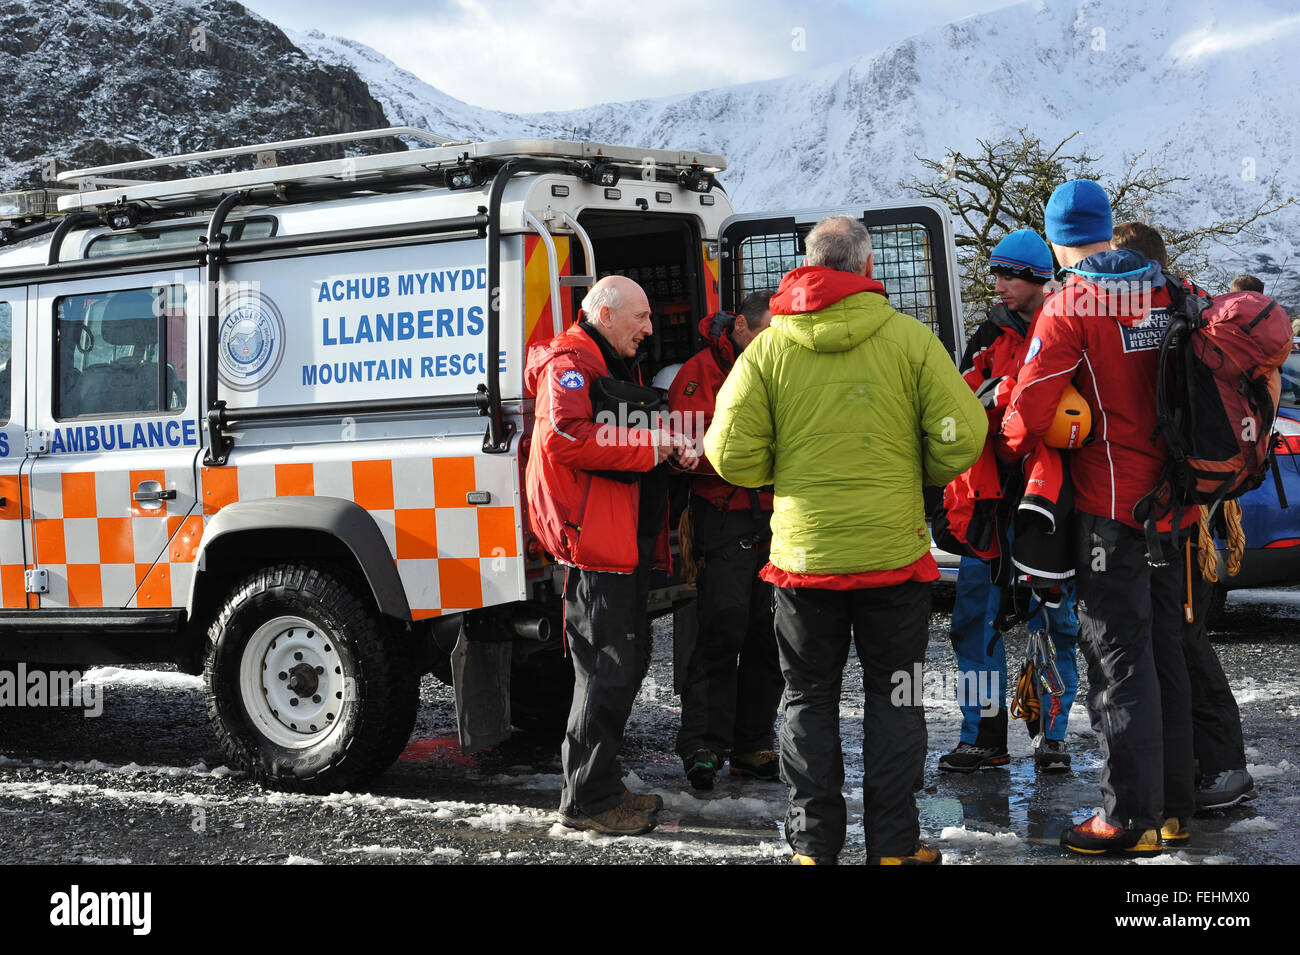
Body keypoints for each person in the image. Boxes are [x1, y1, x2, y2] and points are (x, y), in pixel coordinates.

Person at [706, 215, 985, 865]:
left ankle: (814, 848)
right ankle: (892, 848)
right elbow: (963, 435)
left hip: (803, 565)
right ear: (865, 267)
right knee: (898, 700)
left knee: (808, 700)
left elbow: (726, 452)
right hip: (894, 560)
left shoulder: (768, 350)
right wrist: (920, 470)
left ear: (806, 264)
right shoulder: (909, 340)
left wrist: (782, 474)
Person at [999, 182, 1196, 855]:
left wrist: (1015, 415)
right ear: (1107, 229)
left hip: (1112, 508)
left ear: (1055, 239)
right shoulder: (1173, 289)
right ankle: (1173, 807)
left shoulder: (1069, 305)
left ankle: (1127, 817)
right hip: (1178, 504)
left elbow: (1026, 415)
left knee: (1118, 660)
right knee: (1165, 651)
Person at [524, 275, 698, 836]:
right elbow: (563, 438)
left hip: (618, 548)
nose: (650, 329)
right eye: (641, 317)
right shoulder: (571, 363)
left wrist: (669, 448)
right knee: (605, 673)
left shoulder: (606, 363)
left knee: (615, 671)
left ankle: (601, 788)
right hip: (598, 550)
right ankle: (588, 801)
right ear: (603, 312)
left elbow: (609, 432)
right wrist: (652, 448)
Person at [1111, 221, 1257, 810]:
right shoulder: (1193, 306)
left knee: (1183, 639)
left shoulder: (1166, 315)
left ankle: (1224, 766)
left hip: (1180, 510)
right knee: (1178, 637)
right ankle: (1203, 762)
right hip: (1193, 501)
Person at [938, 229, 1080, 774]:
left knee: (1055, 622)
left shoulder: (1069, 330)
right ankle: (983, 737)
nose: (998, 284)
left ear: (1037, 279)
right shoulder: (986, 337)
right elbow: (959, 404)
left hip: (1050, 507)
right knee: (977, 624)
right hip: (989, 504)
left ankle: (1053, 737)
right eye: (996, 274)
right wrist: (990, 394)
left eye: (1008, 275)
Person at [670, 292, 783, 790]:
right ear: (740, 326)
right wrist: (755, 458)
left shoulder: (778, 362)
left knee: (770, 635)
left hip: (775, 517)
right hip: (723, 516)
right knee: (722, 629)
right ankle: (703, 745)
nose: (770, 344)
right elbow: (685, 452)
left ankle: (753, 744)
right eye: (763, 334)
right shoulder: (697, 373)